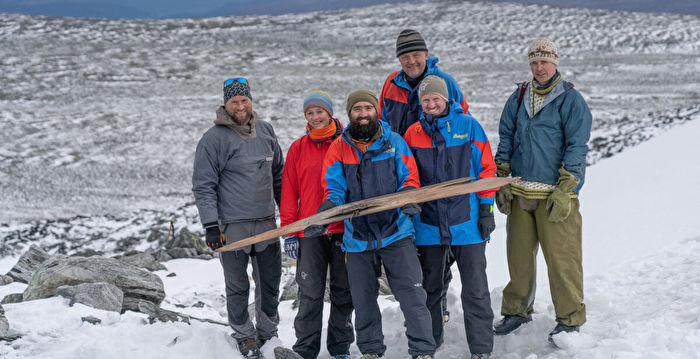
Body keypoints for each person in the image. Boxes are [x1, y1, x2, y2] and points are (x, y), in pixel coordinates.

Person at [304, 90, 435, 359]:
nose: (363, 114)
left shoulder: (394, 142)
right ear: (349, 114)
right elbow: (334, 188)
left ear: (376, 111)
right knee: (363, 301)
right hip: (358, 238)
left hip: (396, 232)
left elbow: (408, 176)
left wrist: (408, 197)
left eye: (368, 108)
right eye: (357, 110)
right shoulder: (339, 147)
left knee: (412, 296)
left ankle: (422, 350)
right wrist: (327, 211)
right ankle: (371, 351)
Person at [493, 38, 592, 344]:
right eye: (535, 62)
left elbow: (577, 146)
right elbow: (506, 136)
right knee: (518, 258)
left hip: (554, 196)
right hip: (522, 191)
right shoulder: (520, 95)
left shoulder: (570, 99)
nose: (540, 67)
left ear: (556, 62)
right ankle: (516, 311)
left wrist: (567, 188)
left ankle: (570, 318)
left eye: (545, 61)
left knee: (562, 260)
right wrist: (502, 178)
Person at [403, 75, 497, 359]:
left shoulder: (468, 126)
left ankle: (481, 349)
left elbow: (487, 172)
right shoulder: (413, 133)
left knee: (476, 290)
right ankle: (429, 346)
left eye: (436, 99)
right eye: (426, 100)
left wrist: (486, 210)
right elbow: (408, 175)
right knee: (429, 289)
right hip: (428, 226)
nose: (431, 104)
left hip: (467, 224)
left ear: (446, 100)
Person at [192, 77, 284, 358]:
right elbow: (203, 184)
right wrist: (210, 225)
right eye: (235, 101)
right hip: (232, 227)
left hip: (267, 222)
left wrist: (290, 214)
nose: (240, 106)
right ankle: (244, 335)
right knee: (237, 284)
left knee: (270, 281)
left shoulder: (266, 131)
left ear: (251, 101)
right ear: (226, 104)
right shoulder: (213, 139)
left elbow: (278, 174)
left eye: (244, 100)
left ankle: (268, 332)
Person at [279, 91, 354, 359]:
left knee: (344, 291)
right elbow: (289, 192)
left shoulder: (347, 143)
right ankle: (305, 349)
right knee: (310, 292)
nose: (315, 117)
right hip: (309, 231)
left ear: (330, 113)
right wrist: (290, 232)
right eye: (310, 113)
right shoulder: (298, 148)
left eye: (319, 111)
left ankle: (340, 347)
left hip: (343, 230)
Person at [379, 28, 469, 136]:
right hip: (400, 152)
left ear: (426, 55)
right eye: (405, 57)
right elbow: (382, 122)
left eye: (416, 55)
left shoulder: (445, 82)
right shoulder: (391, 83)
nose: (411, 61)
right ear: (399, 59)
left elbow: (464, 123)